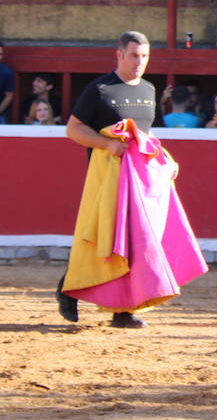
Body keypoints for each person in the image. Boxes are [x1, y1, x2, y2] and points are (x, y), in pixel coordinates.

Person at [56, 31, 205, 329]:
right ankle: (67, 289)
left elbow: (147, 136)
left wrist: (167, 159)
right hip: (107, 179)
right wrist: (106, 144)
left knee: (135, 242)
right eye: (134, 55)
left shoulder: (149, 90)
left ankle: (123, 312)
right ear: (120, 55)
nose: (140, 62)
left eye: (145, 56)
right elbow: (73, 129)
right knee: (106, 239)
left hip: (140, 182)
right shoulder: (99, 89)